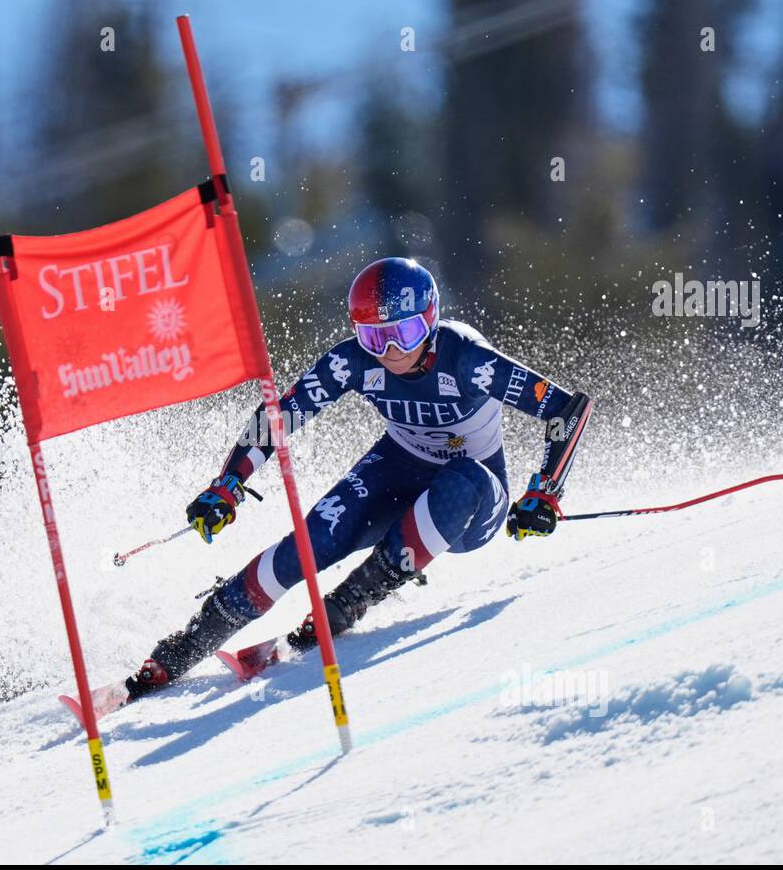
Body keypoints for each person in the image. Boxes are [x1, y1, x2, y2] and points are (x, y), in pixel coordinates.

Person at [125, 257, 593, 698]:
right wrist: (227, 484)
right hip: (398, 468)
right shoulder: (352, 361)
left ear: (429, 321)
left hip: (473, 498)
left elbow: (567, 411)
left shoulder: (469, 360)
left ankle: (350, 600)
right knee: (311, 542)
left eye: (404, 334)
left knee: (461, 478)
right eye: (374, 339)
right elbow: (278, 418)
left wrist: (545, 491)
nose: (389, 353)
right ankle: (191, 640)